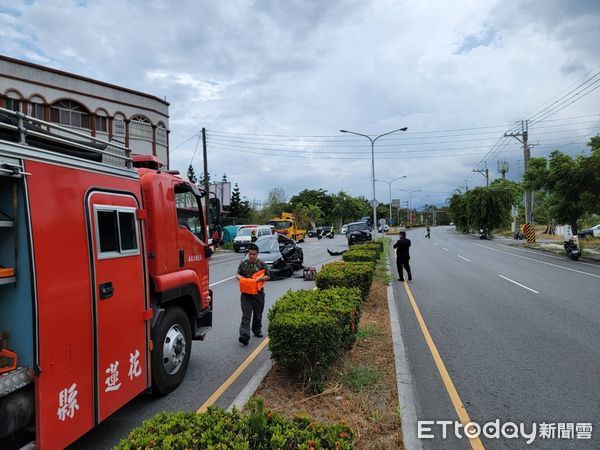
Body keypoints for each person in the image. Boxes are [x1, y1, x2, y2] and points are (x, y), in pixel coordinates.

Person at [236, 243, 270, 346]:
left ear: (257, 254)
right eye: (250, 254)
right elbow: (237, 274)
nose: (252, 256)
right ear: (248, 254)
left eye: (254, 254)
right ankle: (244, 335)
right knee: (246, 315)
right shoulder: (243, 264)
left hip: (258, 294)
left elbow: (269, 276)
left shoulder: (262, 264)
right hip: (246, 294)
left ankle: (257, 330)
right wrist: (240, 278)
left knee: (258, 313)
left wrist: (260, 278)